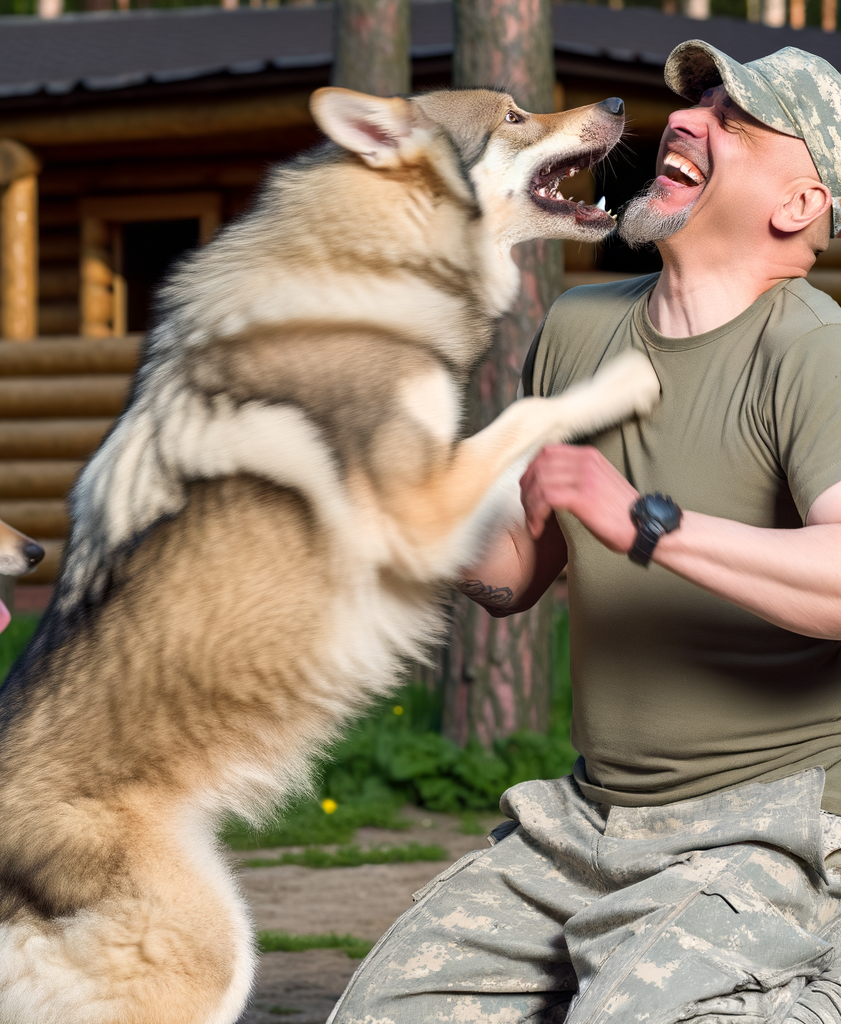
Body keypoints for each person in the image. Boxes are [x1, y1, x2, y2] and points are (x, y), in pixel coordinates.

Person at [328, 40, 841, 1024]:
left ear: (797, 207)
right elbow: (514, 570)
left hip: (768, 828)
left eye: (735, 121)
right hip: (581, 822)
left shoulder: (812, 351)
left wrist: (646, 521)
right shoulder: (577, 327)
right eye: (691, 106)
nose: (687, 121)